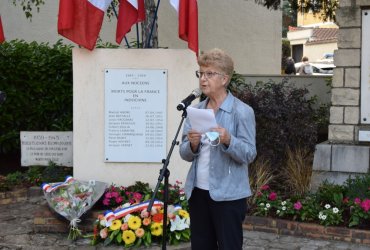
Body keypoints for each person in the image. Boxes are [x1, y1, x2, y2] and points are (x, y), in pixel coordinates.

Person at [179, 48, 257, 250]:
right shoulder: (194, 110)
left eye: (209, 74)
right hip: (198, 193)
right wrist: (193, 144)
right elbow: (184, 153)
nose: (203, 79)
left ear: (224, 79)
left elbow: (249, 153)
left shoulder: (242, 112)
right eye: (201, 74)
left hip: (229, 196)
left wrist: (229, 139)